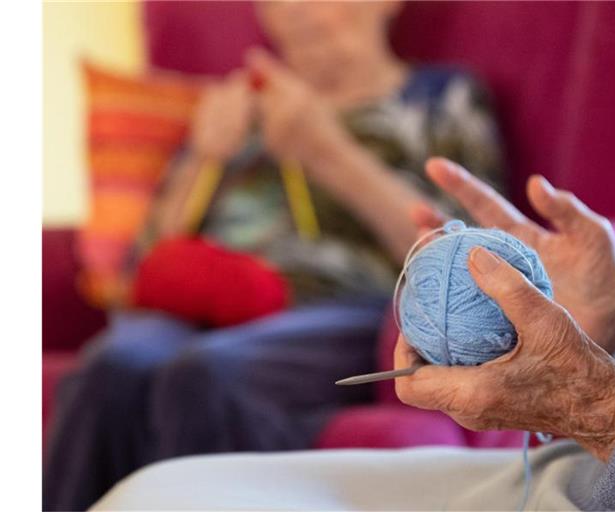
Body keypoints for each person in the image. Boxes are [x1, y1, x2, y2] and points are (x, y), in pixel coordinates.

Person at [43, 2, 503, 510]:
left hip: (339, 305)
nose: (295, 13)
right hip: (208, 300)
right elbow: (142, 266)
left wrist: (326, 152)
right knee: (112, 368)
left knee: (205, 374)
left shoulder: (442, 97)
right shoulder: (243, 110)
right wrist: (204, 155)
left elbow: (469, 263)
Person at [91, 158, 615, 511]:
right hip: (600, 466)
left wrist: (609, 411)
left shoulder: (438, 95)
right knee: (125, 408)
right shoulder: (243, 125)